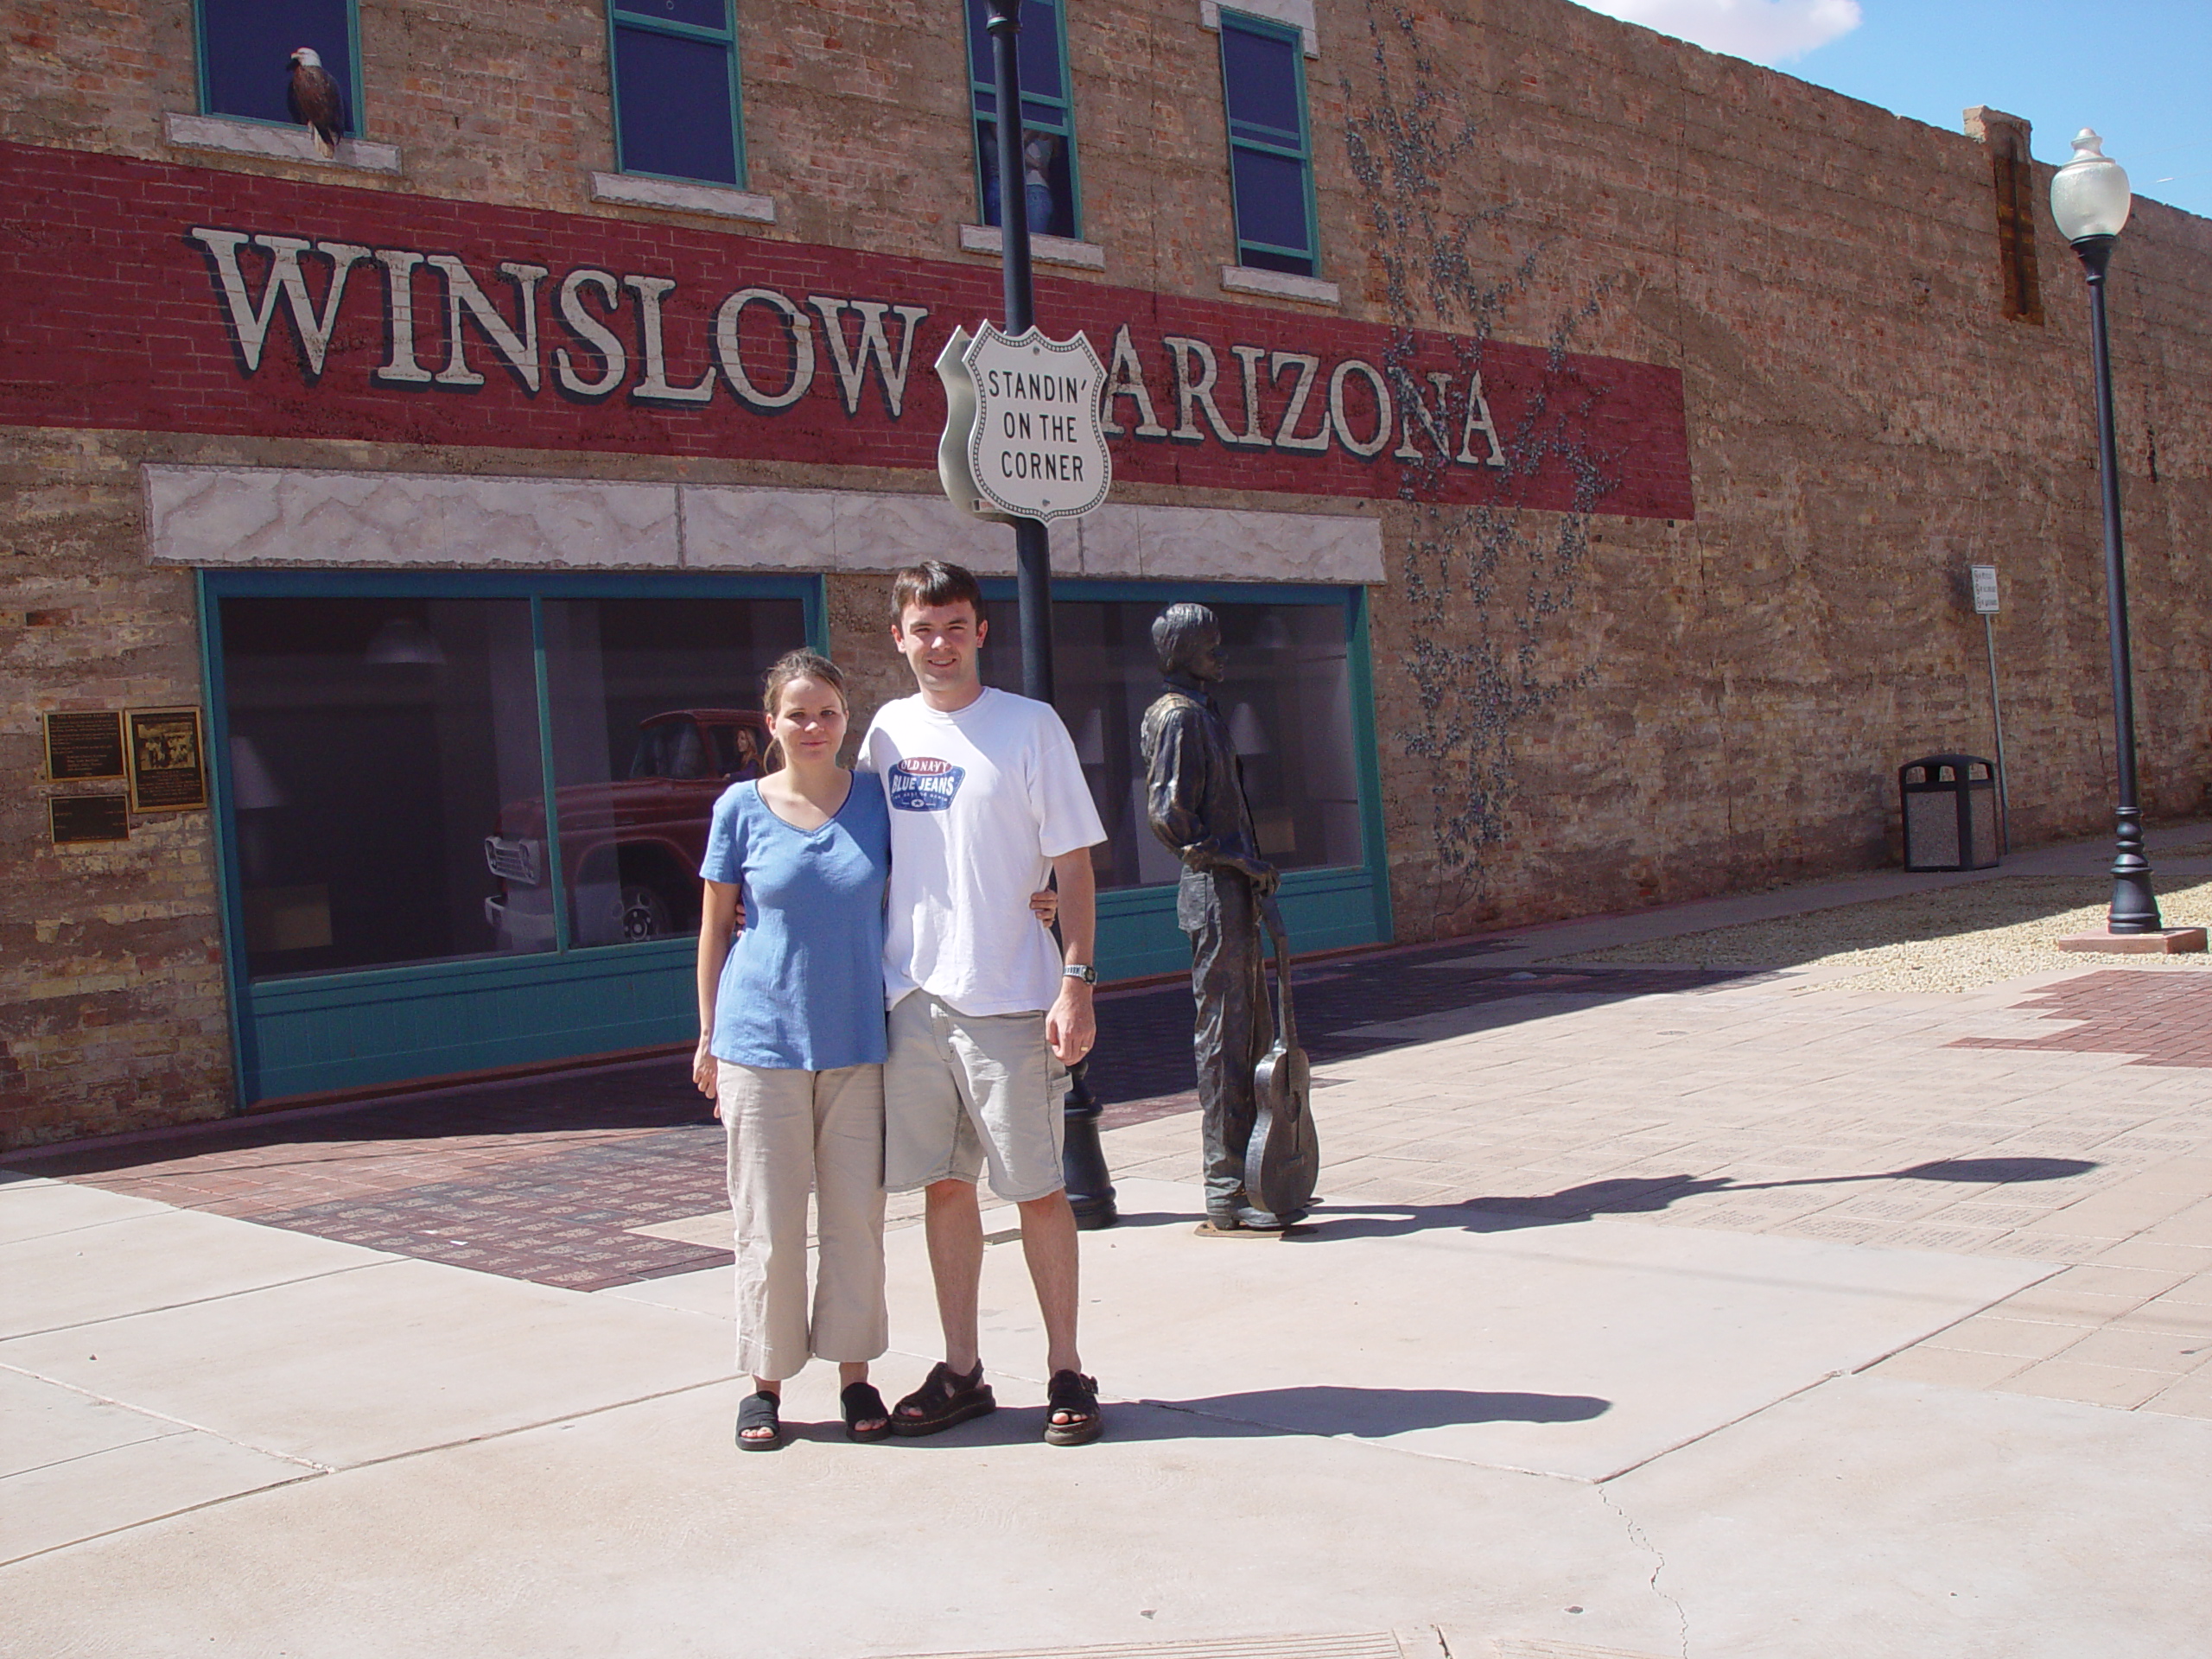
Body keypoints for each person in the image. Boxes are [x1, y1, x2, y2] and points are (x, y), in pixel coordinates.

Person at [863, 560, 1110, 1446]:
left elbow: (1076, 866)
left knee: (1038, 1188)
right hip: (912, 999)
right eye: (922, 629)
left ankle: (1066, 1368)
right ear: (899, 638)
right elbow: (862, 851)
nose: (939, 643)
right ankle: (962, 1369)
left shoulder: (1028, 727)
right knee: (942, 1187)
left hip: (1011, 996)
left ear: (980, 632)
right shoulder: (885, 734)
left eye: (954, 625)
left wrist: (1075, 982)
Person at [694, 649, 894, 1451]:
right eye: (798, 714)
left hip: (857, 1044)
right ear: (770, 724)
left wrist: (1040, 895)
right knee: (769, 1224)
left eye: (829, 713)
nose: (814, 727)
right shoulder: (738, 808)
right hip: (758, 1044)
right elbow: (713, 928)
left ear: (848, 720)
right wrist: (707, 1035)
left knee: (856, 1222)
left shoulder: (879, 802)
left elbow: (944, 884)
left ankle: (855, 1378)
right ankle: (765, 1386)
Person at [1138, 603, 1286, 1232]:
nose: (1221, 653)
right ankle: (1224, 1187)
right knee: (1225, 1040)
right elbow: (1170, 817)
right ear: (1182, 652)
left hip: (1231, 892)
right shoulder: (1181, 719)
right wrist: (1241, 864)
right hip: (1217, 892)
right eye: (1211, 644)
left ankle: (1253, 1171)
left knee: (1251, 1034)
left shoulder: (1199, 713)